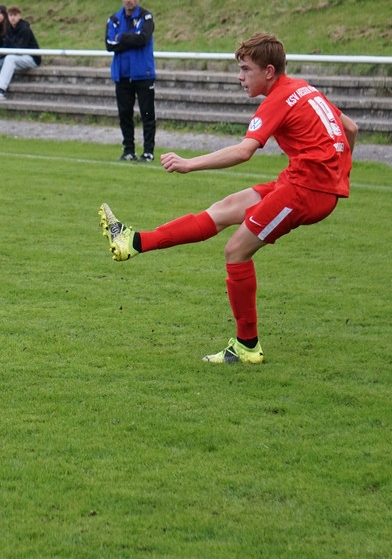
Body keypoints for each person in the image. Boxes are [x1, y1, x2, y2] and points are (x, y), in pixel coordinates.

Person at [99, 32, 358, 365]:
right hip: (303, 182)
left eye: (246, 69)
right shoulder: (304, 88)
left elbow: (243, 152)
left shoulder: (278, 99)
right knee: (224, 209)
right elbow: (351, 128)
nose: (240, 76)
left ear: (269, 71)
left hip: (306, 190)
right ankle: (133, 242)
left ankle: (247, 346)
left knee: (236, 251)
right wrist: (339, 174)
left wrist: (189, 164)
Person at [106, 0, 156, 162]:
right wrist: (131, 38)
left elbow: (143, 39)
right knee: (125, 114)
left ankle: (148, 151)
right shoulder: (114, 19)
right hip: (122, 74)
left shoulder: (146, 17)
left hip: (143, 73)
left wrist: (122, 37)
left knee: (147, 114)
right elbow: (109, 44)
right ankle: (128, 150)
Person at [0, 6, 40, 99]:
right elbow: (6, 45)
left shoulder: (25, 29)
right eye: (10, 15)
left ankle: (1, 90)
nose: (12, 18)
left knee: (10, 59)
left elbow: (20, 48)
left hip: (31, 57)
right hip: (17, 56)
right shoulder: (9, 29)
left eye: (15, 15)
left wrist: (5, 53)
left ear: (19, 16)